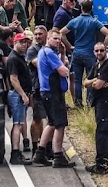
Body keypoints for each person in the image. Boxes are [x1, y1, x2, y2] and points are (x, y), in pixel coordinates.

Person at [32, 30, 73, 168]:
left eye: (59, 39)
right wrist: (65, 66)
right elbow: (63, 70)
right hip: (52, 92)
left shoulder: (46, 52)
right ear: (48, 38)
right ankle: (58, 156)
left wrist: (62, 53)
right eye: (54, 38)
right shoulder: (48, 53)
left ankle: (40, 153)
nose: (57, 41)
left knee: (52, 123)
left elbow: (59, 65)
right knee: (60, 124)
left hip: (48, 92)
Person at [61, 0, 108, 107]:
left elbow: (61, 33)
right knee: (90, 79)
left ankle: (78, 103)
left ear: (81, 8)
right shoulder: (94, 21)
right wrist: (103, 47)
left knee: (77, 80)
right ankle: (90, 103)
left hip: (77, 53)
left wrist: (69, 46)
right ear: (91, 8)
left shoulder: (75, 21)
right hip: (89, 54)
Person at [84, 42, 108, 174]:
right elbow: (86, 82)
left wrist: (96, 82)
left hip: (106, 103)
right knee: (106, 131)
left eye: (101, 50)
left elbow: (98, 86)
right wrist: (95, 81)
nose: (99, 53)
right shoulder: (97, 65)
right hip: (98, 102)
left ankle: (101, 164)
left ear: (106, 50)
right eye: (97, 51)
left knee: (102, 133)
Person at [7, 32, 35, 165]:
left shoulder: (20, 57)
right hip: (17, 95)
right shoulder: (13, 59)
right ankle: (15, 153)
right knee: (17, 124)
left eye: (26, 42)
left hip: (20, 94)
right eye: (21, 42)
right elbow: (13, 79)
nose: (24, 45)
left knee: (20, 123)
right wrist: (23, 94)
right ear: (15, 43)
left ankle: (17, 152)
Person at [26, 26, 48, 156]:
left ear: (46, 35)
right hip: (37, 87)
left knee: (48, 119)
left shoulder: (49, 48)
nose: (38, 36)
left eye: (40, 34)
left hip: (49, 88)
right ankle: (35, 147)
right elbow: (38, 63)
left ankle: (45, 146)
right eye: (36, 34)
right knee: (37, 118)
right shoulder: (32, 50)